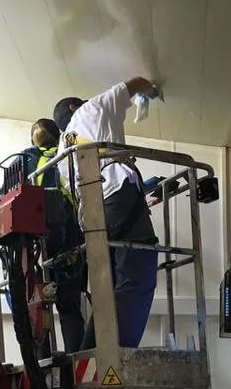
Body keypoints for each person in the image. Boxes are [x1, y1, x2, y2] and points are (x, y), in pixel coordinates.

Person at [53, 77, 160, 349]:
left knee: (107, 293)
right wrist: (150, 89)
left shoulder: (63, 149)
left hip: (91, 217)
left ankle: (91, 356)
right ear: (75, 106)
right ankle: (116, 355)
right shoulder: (91, 109)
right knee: (137, 276)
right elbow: (134, 83)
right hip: (117, 195)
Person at [0, 119, 85, 357]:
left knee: (37, 302)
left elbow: (1, 197)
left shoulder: (26, 158)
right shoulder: (71, 156)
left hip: (37, 241)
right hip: (69, 241)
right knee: (68, 306)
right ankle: (76, 360)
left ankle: (41, 362)